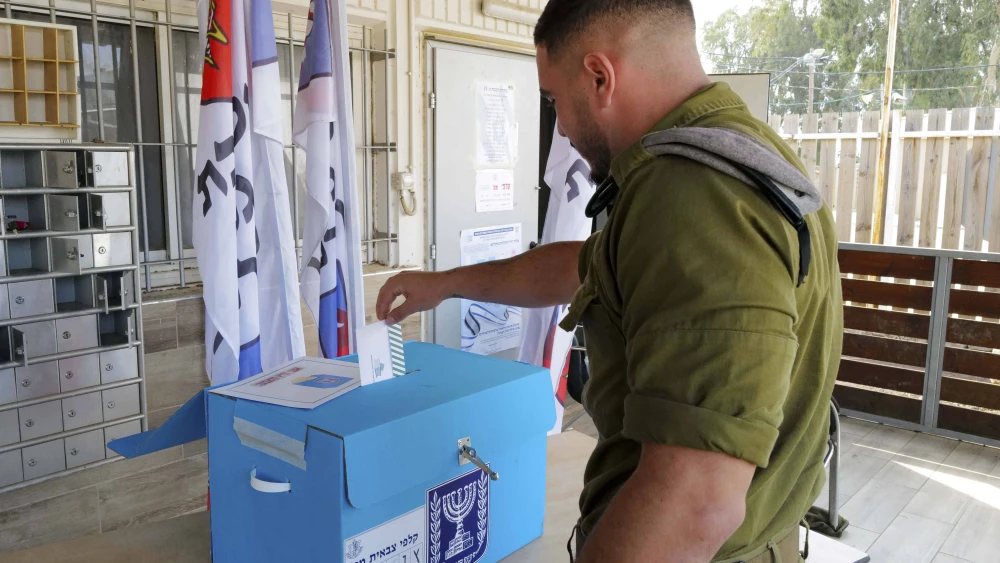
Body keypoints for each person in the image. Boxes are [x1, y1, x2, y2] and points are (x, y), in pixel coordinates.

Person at [376, 1, 844, 561]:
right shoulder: (734, 149)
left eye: (554, 101)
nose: (562, 128)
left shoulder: (696, 197)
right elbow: (587, 266)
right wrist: (445, 283)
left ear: (600, 76)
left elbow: (695, 502)